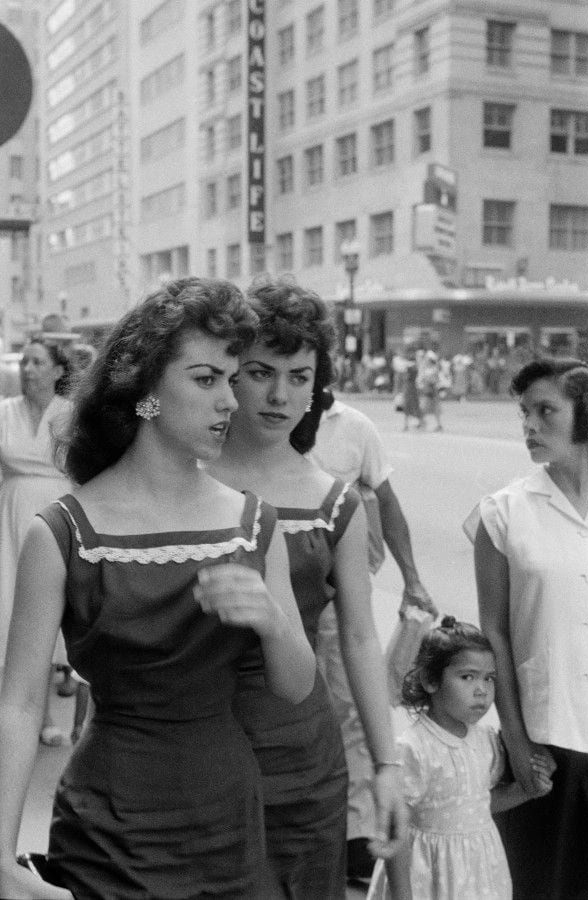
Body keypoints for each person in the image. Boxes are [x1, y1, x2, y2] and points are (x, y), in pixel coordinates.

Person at [0, 277, 316, 900]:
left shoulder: (255, 524)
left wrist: (275, 623)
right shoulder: (62, 533)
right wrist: (0, 863)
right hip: (106, 834)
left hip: (227, 823)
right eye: (206, 379)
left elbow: (295, 686)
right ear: (145, 390)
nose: (230, 400)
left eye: (233, 378)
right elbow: (18, 706)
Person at [210, 278, 407, 900]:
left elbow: (358, 637)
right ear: (229, 372)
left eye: (299, 377)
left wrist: (385, 766)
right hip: (186, 748)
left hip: (300, 759)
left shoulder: (335, 502)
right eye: (262, 371)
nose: (279, 395)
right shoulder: (173, 478)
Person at [467, 356, 588, 900]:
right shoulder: (502, 514)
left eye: (546, 411)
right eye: (524, 414)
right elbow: (493, 633)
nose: (530, 427)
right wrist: (516, 740)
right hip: (550, 742)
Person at [309, 390, 436, 880]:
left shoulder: (356, 427)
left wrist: (412, 577)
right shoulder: (253, 411)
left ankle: (356, 835)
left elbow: (387, 499)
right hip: (280, 587)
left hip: (341, 592)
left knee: (353, 707)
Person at [386, 617, 553, 900]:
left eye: (489, 678)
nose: (482, 690)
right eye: (468, 677)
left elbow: (477, 804)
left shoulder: (485, 740)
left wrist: (525, 792)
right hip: (429, 876)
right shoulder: (414, 748)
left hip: (478, 873)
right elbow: (394, 829)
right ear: (430, 679)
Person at [0, 339, 73, 745]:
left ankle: (45, 715)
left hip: (55, 515)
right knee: (8, 610)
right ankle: (20, 715)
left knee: (48, 612)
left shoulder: (71, 416)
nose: (28, 369)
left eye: (38, 362)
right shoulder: (3, 412)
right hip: (8, 516)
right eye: (24, 362)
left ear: (58, 371)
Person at [417, 351, 443, 431]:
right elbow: (421, 379)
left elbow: (437, 380)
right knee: (423, 407)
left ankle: (439, 425)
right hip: (426, 390)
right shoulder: (424, 368)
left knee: (435, 408)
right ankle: (422, 423)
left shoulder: (435, 369)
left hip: (433, 390)